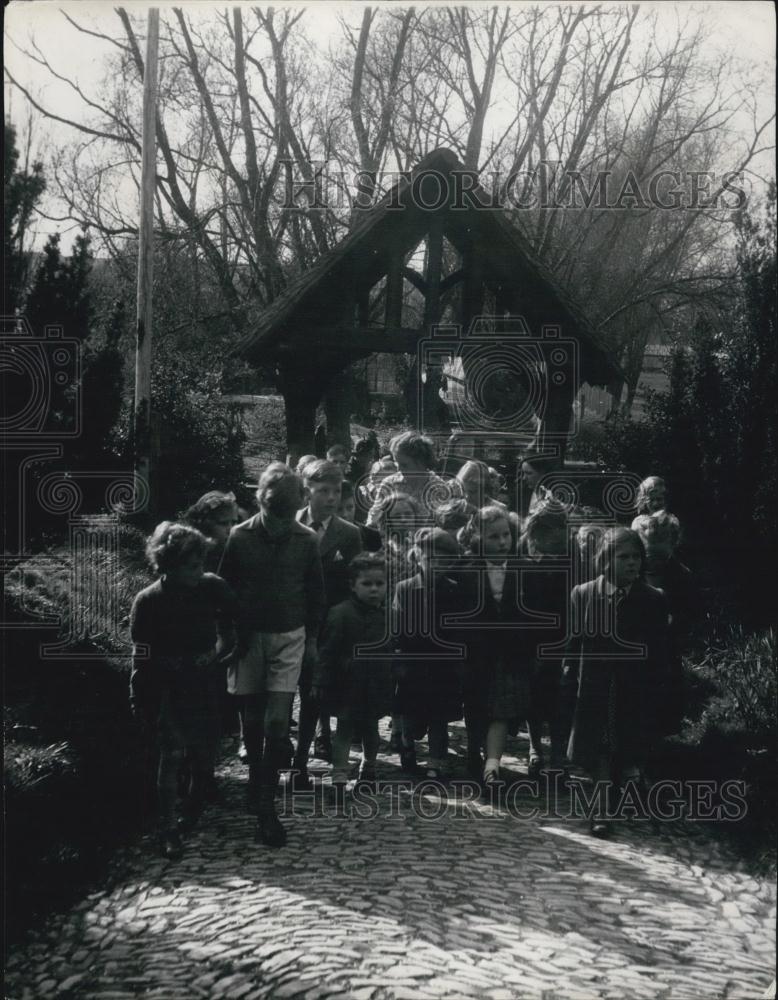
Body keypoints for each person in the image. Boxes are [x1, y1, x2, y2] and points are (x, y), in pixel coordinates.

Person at [218, 463, 325, 847]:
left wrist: (311, 641)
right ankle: (255, 782)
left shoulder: (307, 539)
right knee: (252, 721)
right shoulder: (239, 537)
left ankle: (267, 804)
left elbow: (316, 596)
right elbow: (225, 589)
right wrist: (228, 635)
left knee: (279, 723)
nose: (281, 524)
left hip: (289, 636)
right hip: (249, 638)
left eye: (290, 513)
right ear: (262, 502)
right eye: (275, 514)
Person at [130, 522, 236, 860]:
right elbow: (140, 654)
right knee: (172, 754)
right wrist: (140, 695)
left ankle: (191, 810)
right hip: (167, 688)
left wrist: (218, 651)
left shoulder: (212, 588)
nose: (199, 571)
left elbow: (233, 627)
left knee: (204, 756)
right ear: (169, 564)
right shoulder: (148, 601)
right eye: (192, 566)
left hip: (205, 684)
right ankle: (168, 828)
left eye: (202, 564)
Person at [560, 527, 669, 838]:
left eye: (637, 557)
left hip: (633, 687)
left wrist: (660, 686)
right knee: (601, 750)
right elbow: (574, 640)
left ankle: (626, 793)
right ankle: (601, 812)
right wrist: (568, 674)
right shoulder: (583, 594)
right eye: (624, 558)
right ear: (604, 561)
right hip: (595, 685)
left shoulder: (652, 599)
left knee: (626, 746)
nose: (632, 563)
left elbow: (661, 649)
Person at [293, 460, 362, 785]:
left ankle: (302, 760)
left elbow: (355, 583)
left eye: (336, 491)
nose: (331, 498)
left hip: (329, 628)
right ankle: (285, 755)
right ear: (307, 492)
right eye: (323, 491)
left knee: (314, 694)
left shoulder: (348, 535)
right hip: (292, 622)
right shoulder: (290, 526)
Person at [461, 505, 530, 786]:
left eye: (506, 536)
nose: (502, 543)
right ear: (478, 539)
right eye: (493, 537)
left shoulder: (524, 569)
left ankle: (492, 766)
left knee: (500, 709)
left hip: (510, 653)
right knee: (476, 707)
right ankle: (474, 750)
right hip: (477, 654)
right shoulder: (466, 572)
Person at [311, 553, 393, 790]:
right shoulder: (341, 613)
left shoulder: (388, 616)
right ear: (353, 586)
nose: (374, 589)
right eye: (367, 584)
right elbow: (327, 651)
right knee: (344, 728)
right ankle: (339, 774)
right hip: (347, 682)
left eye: (379, 584)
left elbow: (395, 647)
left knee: (370, 728)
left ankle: (369, 767)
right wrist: (320, 681)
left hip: (376, 682)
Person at [392, 528, 468, 779]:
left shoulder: (454, 590)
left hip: (442, 664)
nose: (438, 565)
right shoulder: (405, 588)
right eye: (432, 558)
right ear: (418, 557)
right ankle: (407, 745)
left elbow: (458, 628)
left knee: (439, 717)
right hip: (413, 662)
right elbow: (398, 626)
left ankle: (436, 761)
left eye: (445, 560)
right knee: (410, 715)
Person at [180, 490, 241, 791]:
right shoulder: (190, 552)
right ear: (204, 522)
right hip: (192, 636)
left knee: (217, 707)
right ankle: (190, 772)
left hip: (223, 635)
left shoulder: (234, 549)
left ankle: (206, 772)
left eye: (232, 522)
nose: (229, 529)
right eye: (222, 523)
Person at [631, 510, 696, 736]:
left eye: (660, 555)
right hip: (633, 644)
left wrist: (673, 622)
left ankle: (658, 741)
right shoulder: (630, 572)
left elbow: (688, 612)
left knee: (666, 695)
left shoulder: (681, 575)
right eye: (648, 554)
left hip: (665, 647)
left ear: (673, 544)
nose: (652, 561)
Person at [521, 507, 571, 776]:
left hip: (563, 637)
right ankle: (534, 748)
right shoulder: (527, 560)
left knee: (561, 699)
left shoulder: (573, 559)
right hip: (534, 638)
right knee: (534, 698)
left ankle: (558, 756)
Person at [366, 431, 453, 526]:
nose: (398, 468)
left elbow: (445, 526)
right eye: (396, 463)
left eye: (404, 465)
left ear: (421, 462)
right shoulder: (390, 484)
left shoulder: (439, 489)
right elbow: (374, 518)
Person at [339, 479, 382, 552]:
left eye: (350, 508)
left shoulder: (372, 537)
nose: (345, 514)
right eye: (339, 509)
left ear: (355, 506)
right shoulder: (320, 536)